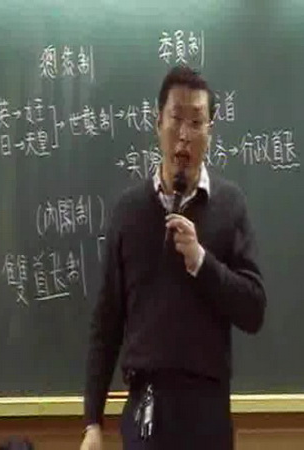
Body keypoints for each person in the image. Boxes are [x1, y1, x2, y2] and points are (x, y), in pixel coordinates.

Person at [80, 65, 266, 450]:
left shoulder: (230, 206)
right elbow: (107, 322)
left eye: (196, 122)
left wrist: (202, 262)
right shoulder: (129, 211)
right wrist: (93, 422)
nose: (184, 135)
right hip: (146, 405)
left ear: (210, 131)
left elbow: (254, 310)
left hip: (207, 409)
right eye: (176, 119)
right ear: (157, 122)